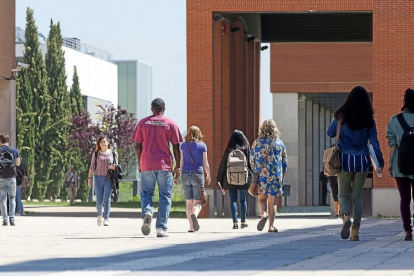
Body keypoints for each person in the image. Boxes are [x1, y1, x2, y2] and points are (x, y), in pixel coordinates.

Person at [327, 86, 384, 241]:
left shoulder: (340, 116)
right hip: (362, 161)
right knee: (357, 196)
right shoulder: (368, 119)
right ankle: (355, 231)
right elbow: (374, 142)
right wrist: (380, 161)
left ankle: (345, 217)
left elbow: (330, 133)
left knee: (343, 194)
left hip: (344, 160)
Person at [133, 98, 182, 238]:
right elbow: (177, 147)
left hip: (147, 163)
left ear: (151, 109)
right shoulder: (170, 124)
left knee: (146, 193)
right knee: (165, 196)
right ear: (164, 109)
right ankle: (161, 228)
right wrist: (177, 166)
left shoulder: (143, 123)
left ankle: (148, 212)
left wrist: (139, 162)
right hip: (164, 165)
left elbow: (137, 145)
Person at [386, 88, 414, 241]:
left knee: (405, 199)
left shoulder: (395, 120)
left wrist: (390, 163)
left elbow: (392, 144)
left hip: (400, 165)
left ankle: (407, 231)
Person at [250, 120, 288, 232]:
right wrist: (282, 176)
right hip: (275, 175)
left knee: (261, 198)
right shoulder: (279, 143)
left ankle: (263, 215)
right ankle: (271, 226)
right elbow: (285, 162)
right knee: (272, 201)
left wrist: (256, 170)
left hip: (262, 175)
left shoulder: (256, 143)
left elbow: (252, 161)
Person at [217, 130, 252, 229]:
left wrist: (219, 180)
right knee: (242, 200)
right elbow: (250, 165)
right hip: (243, 179)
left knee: (233, 200)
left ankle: (235, 222)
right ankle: (244, 221)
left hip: (230, 179)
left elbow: (222, 166)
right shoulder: (246, 150)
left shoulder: (228, 150)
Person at [180, 126, 211, 232]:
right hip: (197, 174)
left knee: (188, 202)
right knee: (197, 202)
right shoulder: (202, 146)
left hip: (185, 174)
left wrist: (180, 174)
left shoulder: (183, 145)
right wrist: (208, 175)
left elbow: (182, 161)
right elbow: (205, 163)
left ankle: (191, 227)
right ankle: (194, 215)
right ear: (199, 134)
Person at [87, 136, 117, 226]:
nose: (103, 143)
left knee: (106, 199)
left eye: (105, 141)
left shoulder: (113, 153)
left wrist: (113, 167)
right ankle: (99, 215)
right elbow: (92, 167)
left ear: (108, 143)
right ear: (99, 144)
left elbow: (117, 166)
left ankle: (106, 219)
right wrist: (89, 178)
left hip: (109, 178)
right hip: (98, 178)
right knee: (99, 200)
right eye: (101, 142)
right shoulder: (96, 154)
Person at [0, 133, 20, 226]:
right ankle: (12, 218)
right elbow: (18, 163)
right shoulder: (14, 150)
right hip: (12, 177)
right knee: (12, 198)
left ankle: (5, 220)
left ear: (1, 141)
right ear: (8, 141)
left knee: (3, 199)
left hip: (2, 177)